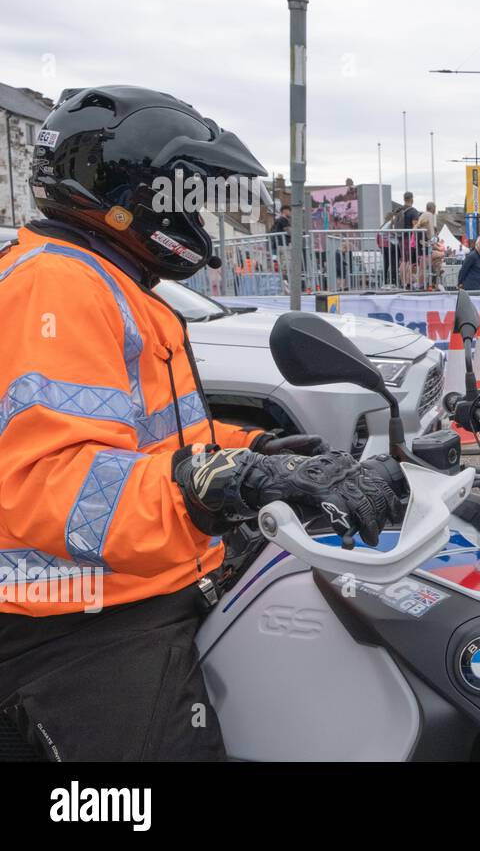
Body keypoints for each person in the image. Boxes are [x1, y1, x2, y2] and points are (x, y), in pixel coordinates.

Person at [0, 85, 407, 760]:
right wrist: (225, 483)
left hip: (145, 577)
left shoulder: (112, 284)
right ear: (129, 195)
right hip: (76, 617)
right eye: (183, 200)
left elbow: (156, 446)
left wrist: (263, 452)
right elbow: (53, 488)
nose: (195, 218)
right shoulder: (59, 285)